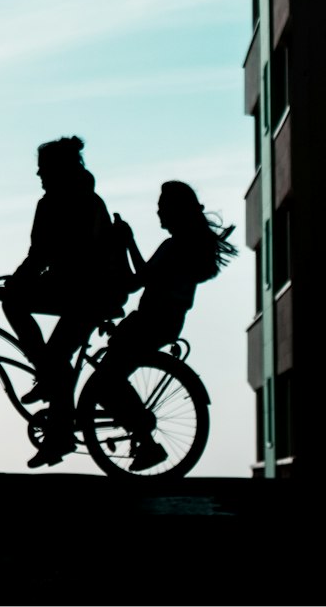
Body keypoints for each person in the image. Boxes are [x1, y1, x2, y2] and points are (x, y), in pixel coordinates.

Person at [2, 136, 126, 468]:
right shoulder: (86, 198)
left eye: (43, 170)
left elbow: (43, 255)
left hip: (88, 292)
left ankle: (55, 420)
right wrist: (20, 280)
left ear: (58, 170)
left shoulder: (62, 203)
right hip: (87, 290)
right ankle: (57, 426)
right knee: (56, 360)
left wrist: (15, 283)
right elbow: (44, 257)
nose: (39, 176)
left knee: (23, 318)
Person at [98, 181, 237, 472]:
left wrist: (126, 242)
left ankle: (146, 442)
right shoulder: (189, 245)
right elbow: (143, 277)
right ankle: (141, 435)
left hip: (150, 321)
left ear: (175, 211)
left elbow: (139, 280)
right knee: (111, 378)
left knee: (106, 384)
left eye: (162, 206)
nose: (158, 211)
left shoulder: (176, 246)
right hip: (165, 322)